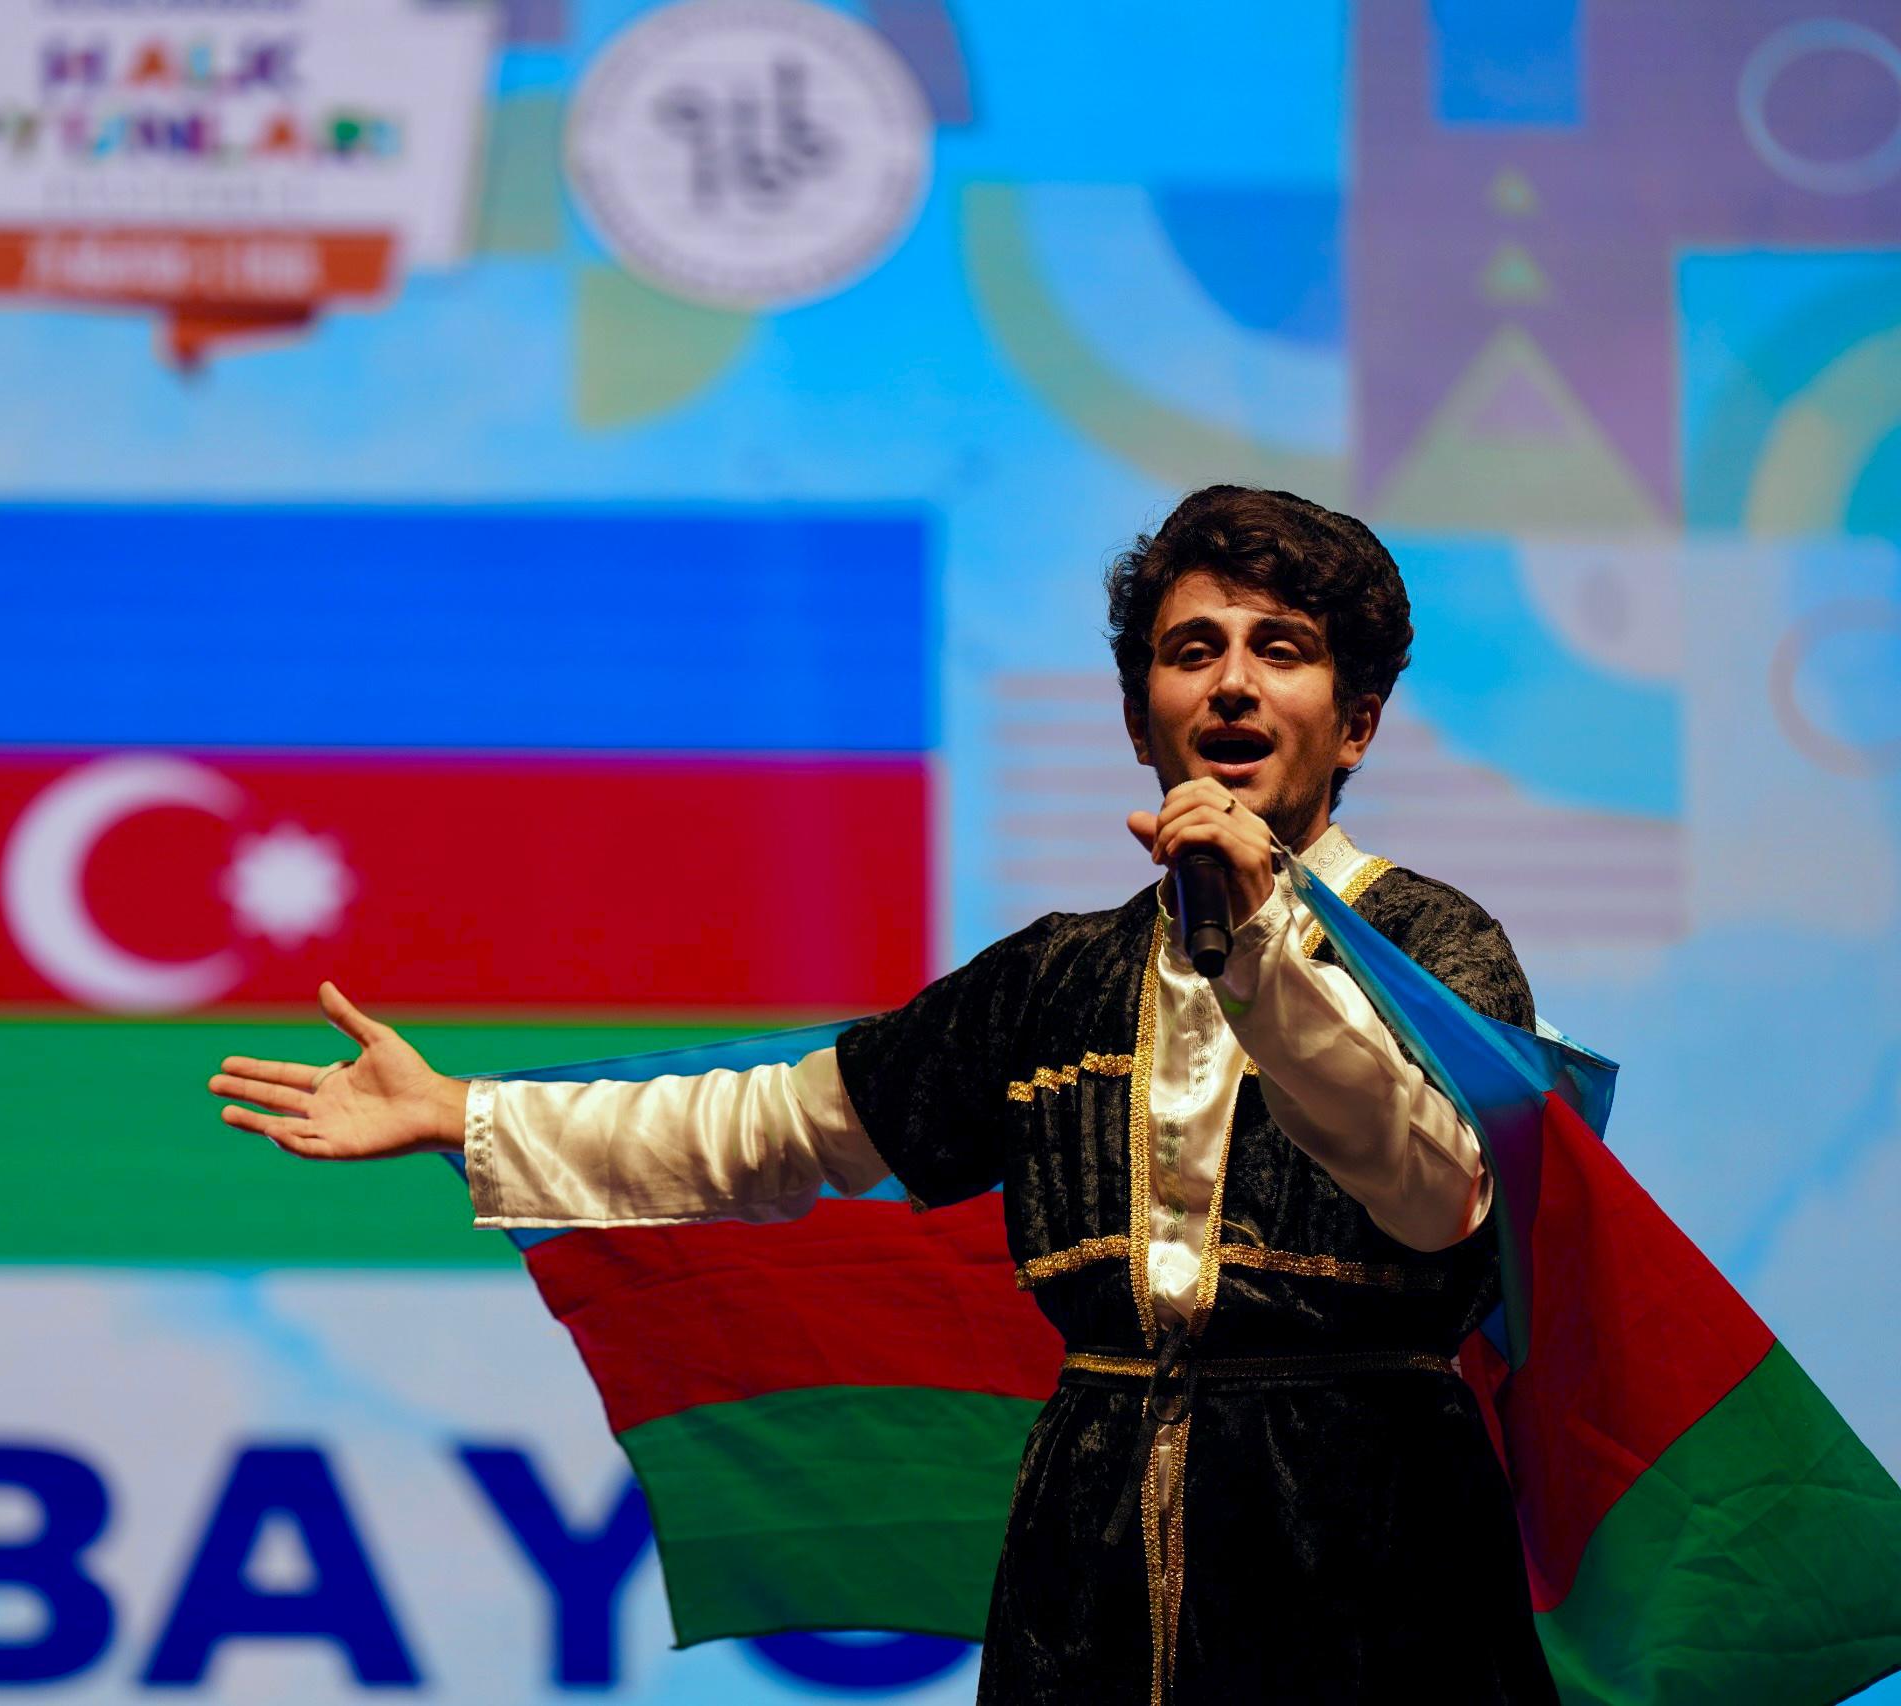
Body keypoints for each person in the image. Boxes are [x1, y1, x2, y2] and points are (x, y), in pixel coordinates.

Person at [207, 485, 1554, 1704]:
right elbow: (777, 1128)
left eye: (1283, 649)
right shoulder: (1052, 979)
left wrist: (1258, 941)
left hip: (1373, 1539)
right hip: (1089, 1551)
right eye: (1193, 649)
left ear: (1358, 723)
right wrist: (462, 1112)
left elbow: (1436, 1195)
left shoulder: (1437, 949)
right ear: (1140, 711)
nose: (1234, 683)